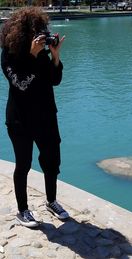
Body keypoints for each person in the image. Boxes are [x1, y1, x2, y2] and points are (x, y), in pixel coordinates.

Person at [0, 6, 69, 228]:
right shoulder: (9, 55)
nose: (39, 36)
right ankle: (22, 211)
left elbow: (55, 80)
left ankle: (52, 201)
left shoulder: (42, 54)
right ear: (21, 33)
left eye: (41, 31)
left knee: (51, 161)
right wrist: (32, 55)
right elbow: (21, 83)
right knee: (24, 164)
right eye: (34, 32)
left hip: (46, 117)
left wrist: (55, 57)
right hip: (19, 120)